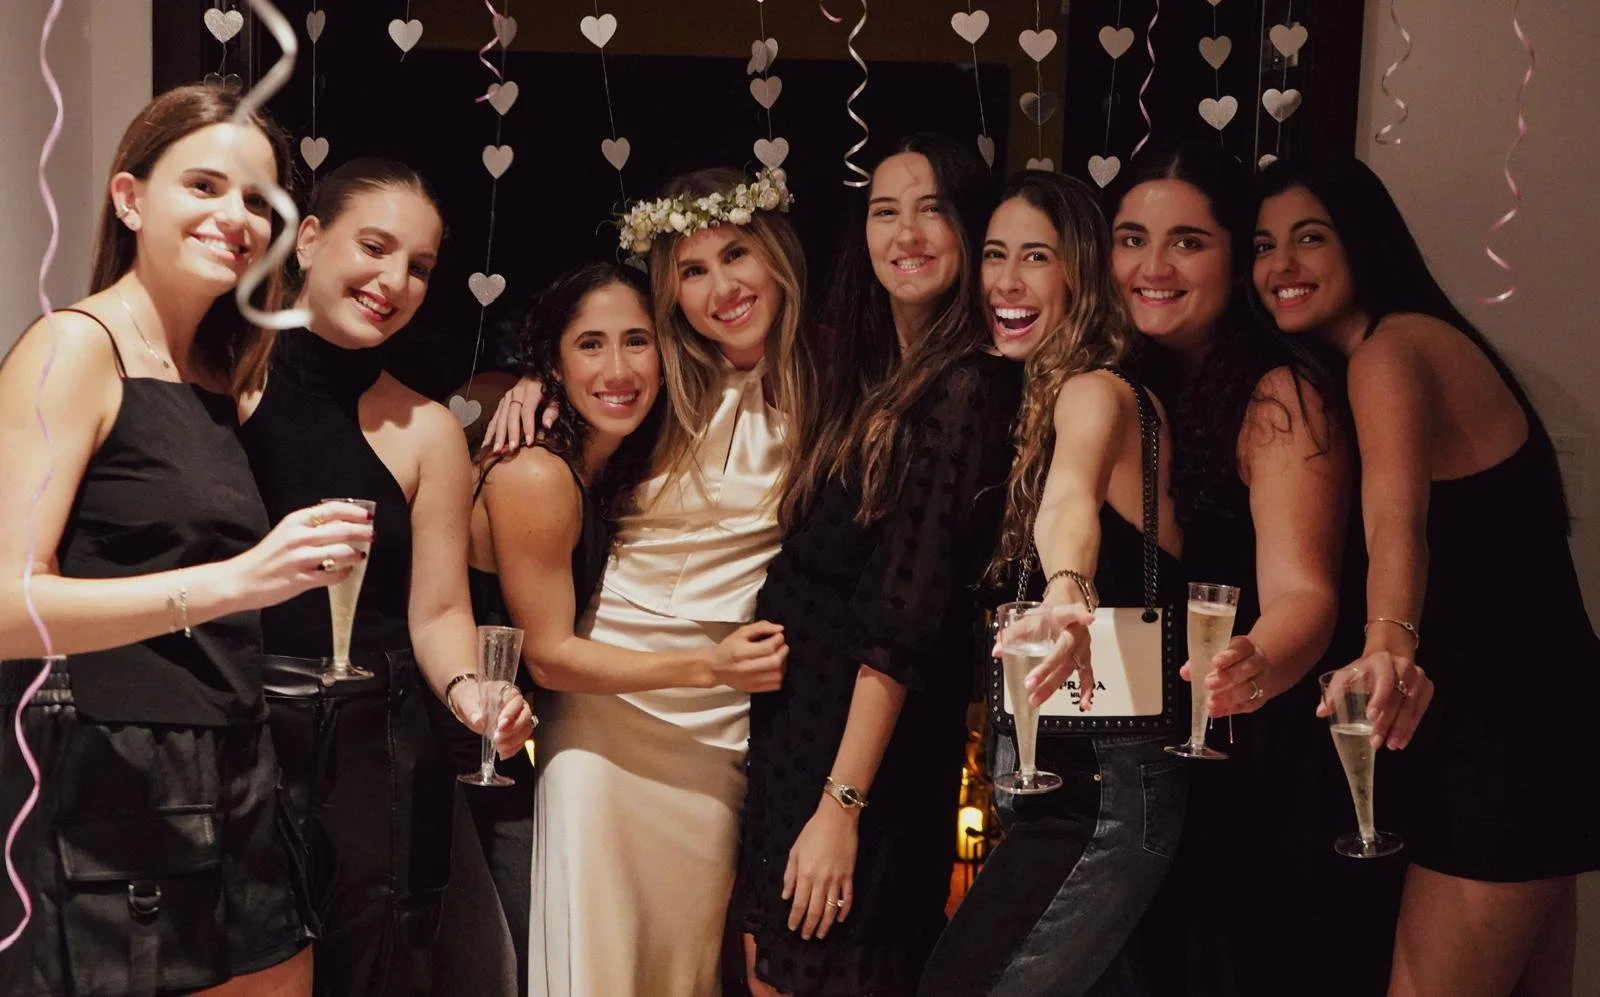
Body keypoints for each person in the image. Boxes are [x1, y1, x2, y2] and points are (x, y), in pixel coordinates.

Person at [0, 84, 370, 997]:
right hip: (111, 775)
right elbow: (8, 606)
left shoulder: (218, 373)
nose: (235, 217)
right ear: (130, 199)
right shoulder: (72, 348)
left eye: (257, 201)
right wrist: (239, 580)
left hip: (234, 760)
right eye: (204, 186)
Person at [1253, 154, 1598, 997]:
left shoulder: (1390, 351)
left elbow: (1396, 520)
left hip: (1505, 738)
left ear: (1363, 242)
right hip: (1544, 718)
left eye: (1310, 237)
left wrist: (1386, 644)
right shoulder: (1410, 343)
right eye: (1263, 246)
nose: (1281, 264)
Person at [483, 165, 816, 997]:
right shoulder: (667, 395)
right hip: (604, 711)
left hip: (720, 727)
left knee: (682, 965)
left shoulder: (825, 390)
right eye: (692, 270)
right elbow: (583, 385)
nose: (719, 288)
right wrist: (534, 381)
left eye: (735, 255)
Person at [1107, 142, 1421, 996]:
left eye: (1188, 242)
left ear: (1234, 261)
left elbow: (1305, 593)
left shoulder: (1280, 392)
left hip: (1261, 763)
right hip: (1162, 764)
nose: (1153, 266)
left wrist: (1255, 662)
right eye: (1132, 239)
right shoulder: (1127, 381)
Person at [235, 157, 532, 997]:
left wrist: (474, 693)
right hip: (241, 740)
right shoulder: (224, 384)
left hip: (379, 762)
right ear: (308, 239)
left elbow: (436, 613)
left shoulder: (428, 428)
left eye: (421, 266)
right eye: (375, 247)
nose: (395, 281)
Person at [735, 133, 1020, 997]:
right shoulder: (866, 373)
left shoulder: (966, 387)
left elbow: (904, 621)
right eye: (885, 211)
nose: (907, 233)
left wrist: (841, 806)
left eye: (933, 209)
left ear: (971, 227)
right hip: (796, 739)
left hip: (865, 762)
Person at [918, 170, 1184, 997]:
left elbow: (1071, 498)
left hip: (1101, 795)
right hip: (1072, 787)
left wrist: (1067, 586)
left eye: (1036, 257)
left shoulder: (1095, 391)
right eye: (995, 254)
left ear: (1082, 274)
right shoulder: (1033, 396)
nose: (1006, 279)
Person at [450, 261, 665, 995]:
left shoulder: (602, 460)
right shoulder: (538, 471)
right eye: (590, 344)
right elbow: (548, 657)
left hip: (511, 746)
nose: (617, 368)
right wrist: (714, 666)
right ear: (554, 360)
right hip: (470, 757)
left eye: (637, 341)